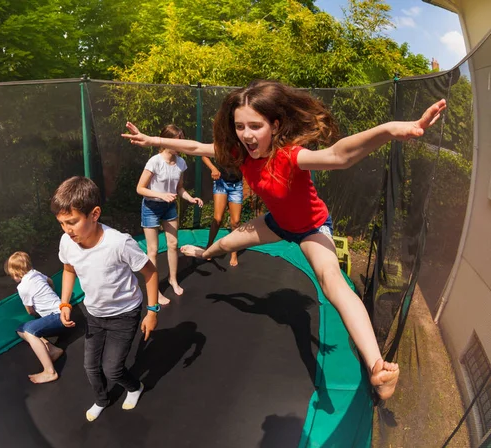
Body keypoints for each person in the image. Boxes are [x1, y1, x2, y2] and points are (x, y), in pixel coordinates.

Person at [122, 80, 447, 400]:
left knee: (331, 282)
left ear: (275, 125)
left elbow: (339, 156)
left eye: (255, 126)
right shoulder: (239, 153)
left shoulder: (290, 156)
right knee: (222, 245)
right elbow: (193, 147)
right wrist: (150, 139)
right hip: (277, 223)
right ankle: (205, 254)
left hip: (311, 228)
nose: (246, 135)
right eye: (239, 126)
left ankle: (378, 367)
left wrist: (390, 129)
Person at [51, 176, 160, 421]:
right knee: (90, 366)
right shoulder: (67, 242)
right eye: (62, 223)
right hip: (94, 314)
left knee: (112, 368)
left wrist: (152, 311)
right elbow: (69, 269)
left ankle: (135, 387)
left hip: (124, 314)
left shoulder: (119, 243)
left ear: (94, 214)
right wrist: (65, 302)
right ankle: (101, 399)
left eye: (72, 222)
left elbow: (150, 272)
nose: (67, 230)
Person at [137, 124, 203, 305]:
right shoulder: (155, 161)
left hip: (169, 207)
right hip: (151, 206)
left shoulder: (181, 163)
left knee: (173, 244)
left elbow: (179, 188)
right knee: (153, 249)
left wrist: (190, 198)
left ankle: (173, 279)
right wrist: (161, 195)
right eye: (178, 140)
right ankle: (155, 290)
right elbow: (140, 188)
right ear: (167, 141)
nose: (181, 144)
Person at [5, 251, 65, 384]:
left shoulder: (23, 287)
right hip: (61, 311)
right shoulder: (36, 273)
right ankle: (53, 350)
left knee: (29, 331)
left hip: (57, 317)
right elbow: (49, 281)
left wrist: (39, 314)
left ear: (15, 272)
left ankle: (50, 371)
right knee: (21, 329)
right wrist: (51, 293)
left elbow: (30, 311)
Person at [201, 156, 243, 266]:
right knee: (218, 219)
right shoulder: (221, 144)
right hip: (221, 184)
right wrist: (213, 168)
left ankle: (233, 252)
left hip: (236, 185)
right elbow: (204, 155)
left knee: (236, 222)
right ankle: (209, 246)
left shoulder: (242, 145)